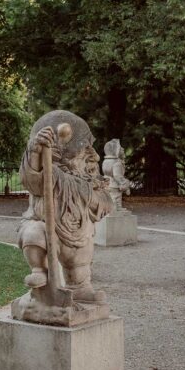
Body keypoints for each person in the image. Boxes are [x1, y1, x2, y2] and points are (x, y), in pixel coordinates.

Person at [17, 111, 113, 304]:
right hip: (49, 228)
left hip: (79, 229)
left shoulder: (90, 179)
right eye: (84, 148)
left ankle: (80, 287)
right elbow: (31, 180)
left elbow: (105, 203)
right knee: (34, 233)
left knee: (80, 259)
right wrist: (35, 151)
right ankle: (40, 272)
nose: (92, 154)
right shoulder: (48, 175)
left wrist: (86, 194)